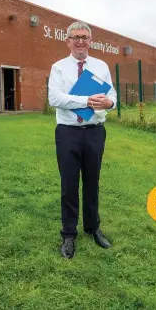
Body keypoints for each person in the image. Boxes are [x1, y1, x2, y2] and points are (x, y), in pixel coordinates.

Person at [48, 21, 117, 259]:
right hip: (68, 132)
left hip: (95, 130)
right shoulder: (58, 67)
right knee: (69, 184)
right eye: (75, 37)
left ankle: (92, 227)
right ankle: (68, 234)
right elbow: (54, 98)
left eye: (84, 37)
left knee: (92, 181)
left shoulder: (101, 65)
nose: (80, 41)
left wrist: (109, 103)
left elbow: (112, 95)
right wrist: (86, 101)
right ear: (67, 41)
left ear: (90, 41)